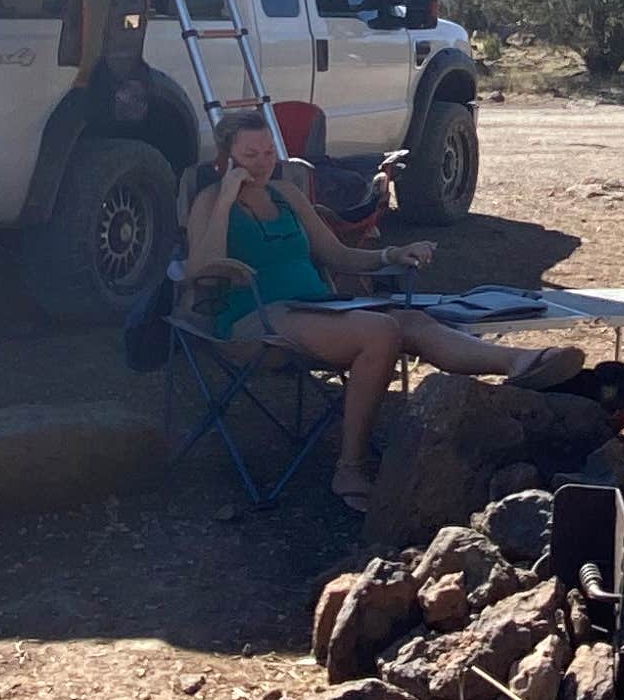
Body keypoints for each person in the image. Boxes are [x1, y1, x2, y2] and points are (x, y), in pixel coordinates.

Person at [182, 111, 573, 511]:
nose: (263, 162)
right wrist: (227, 197)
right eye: (250, 154)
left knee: (412, 321)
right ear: (225, 156)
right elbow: (199, 268)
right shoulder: (211, 200)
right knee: (380, 331)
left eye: (268, 151)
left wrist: (391, 253)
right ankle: (350, 467)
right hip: (257, 320)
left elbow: (336, 254)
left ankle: (523, 362)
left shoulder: (287, 195)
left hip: (316, 306)